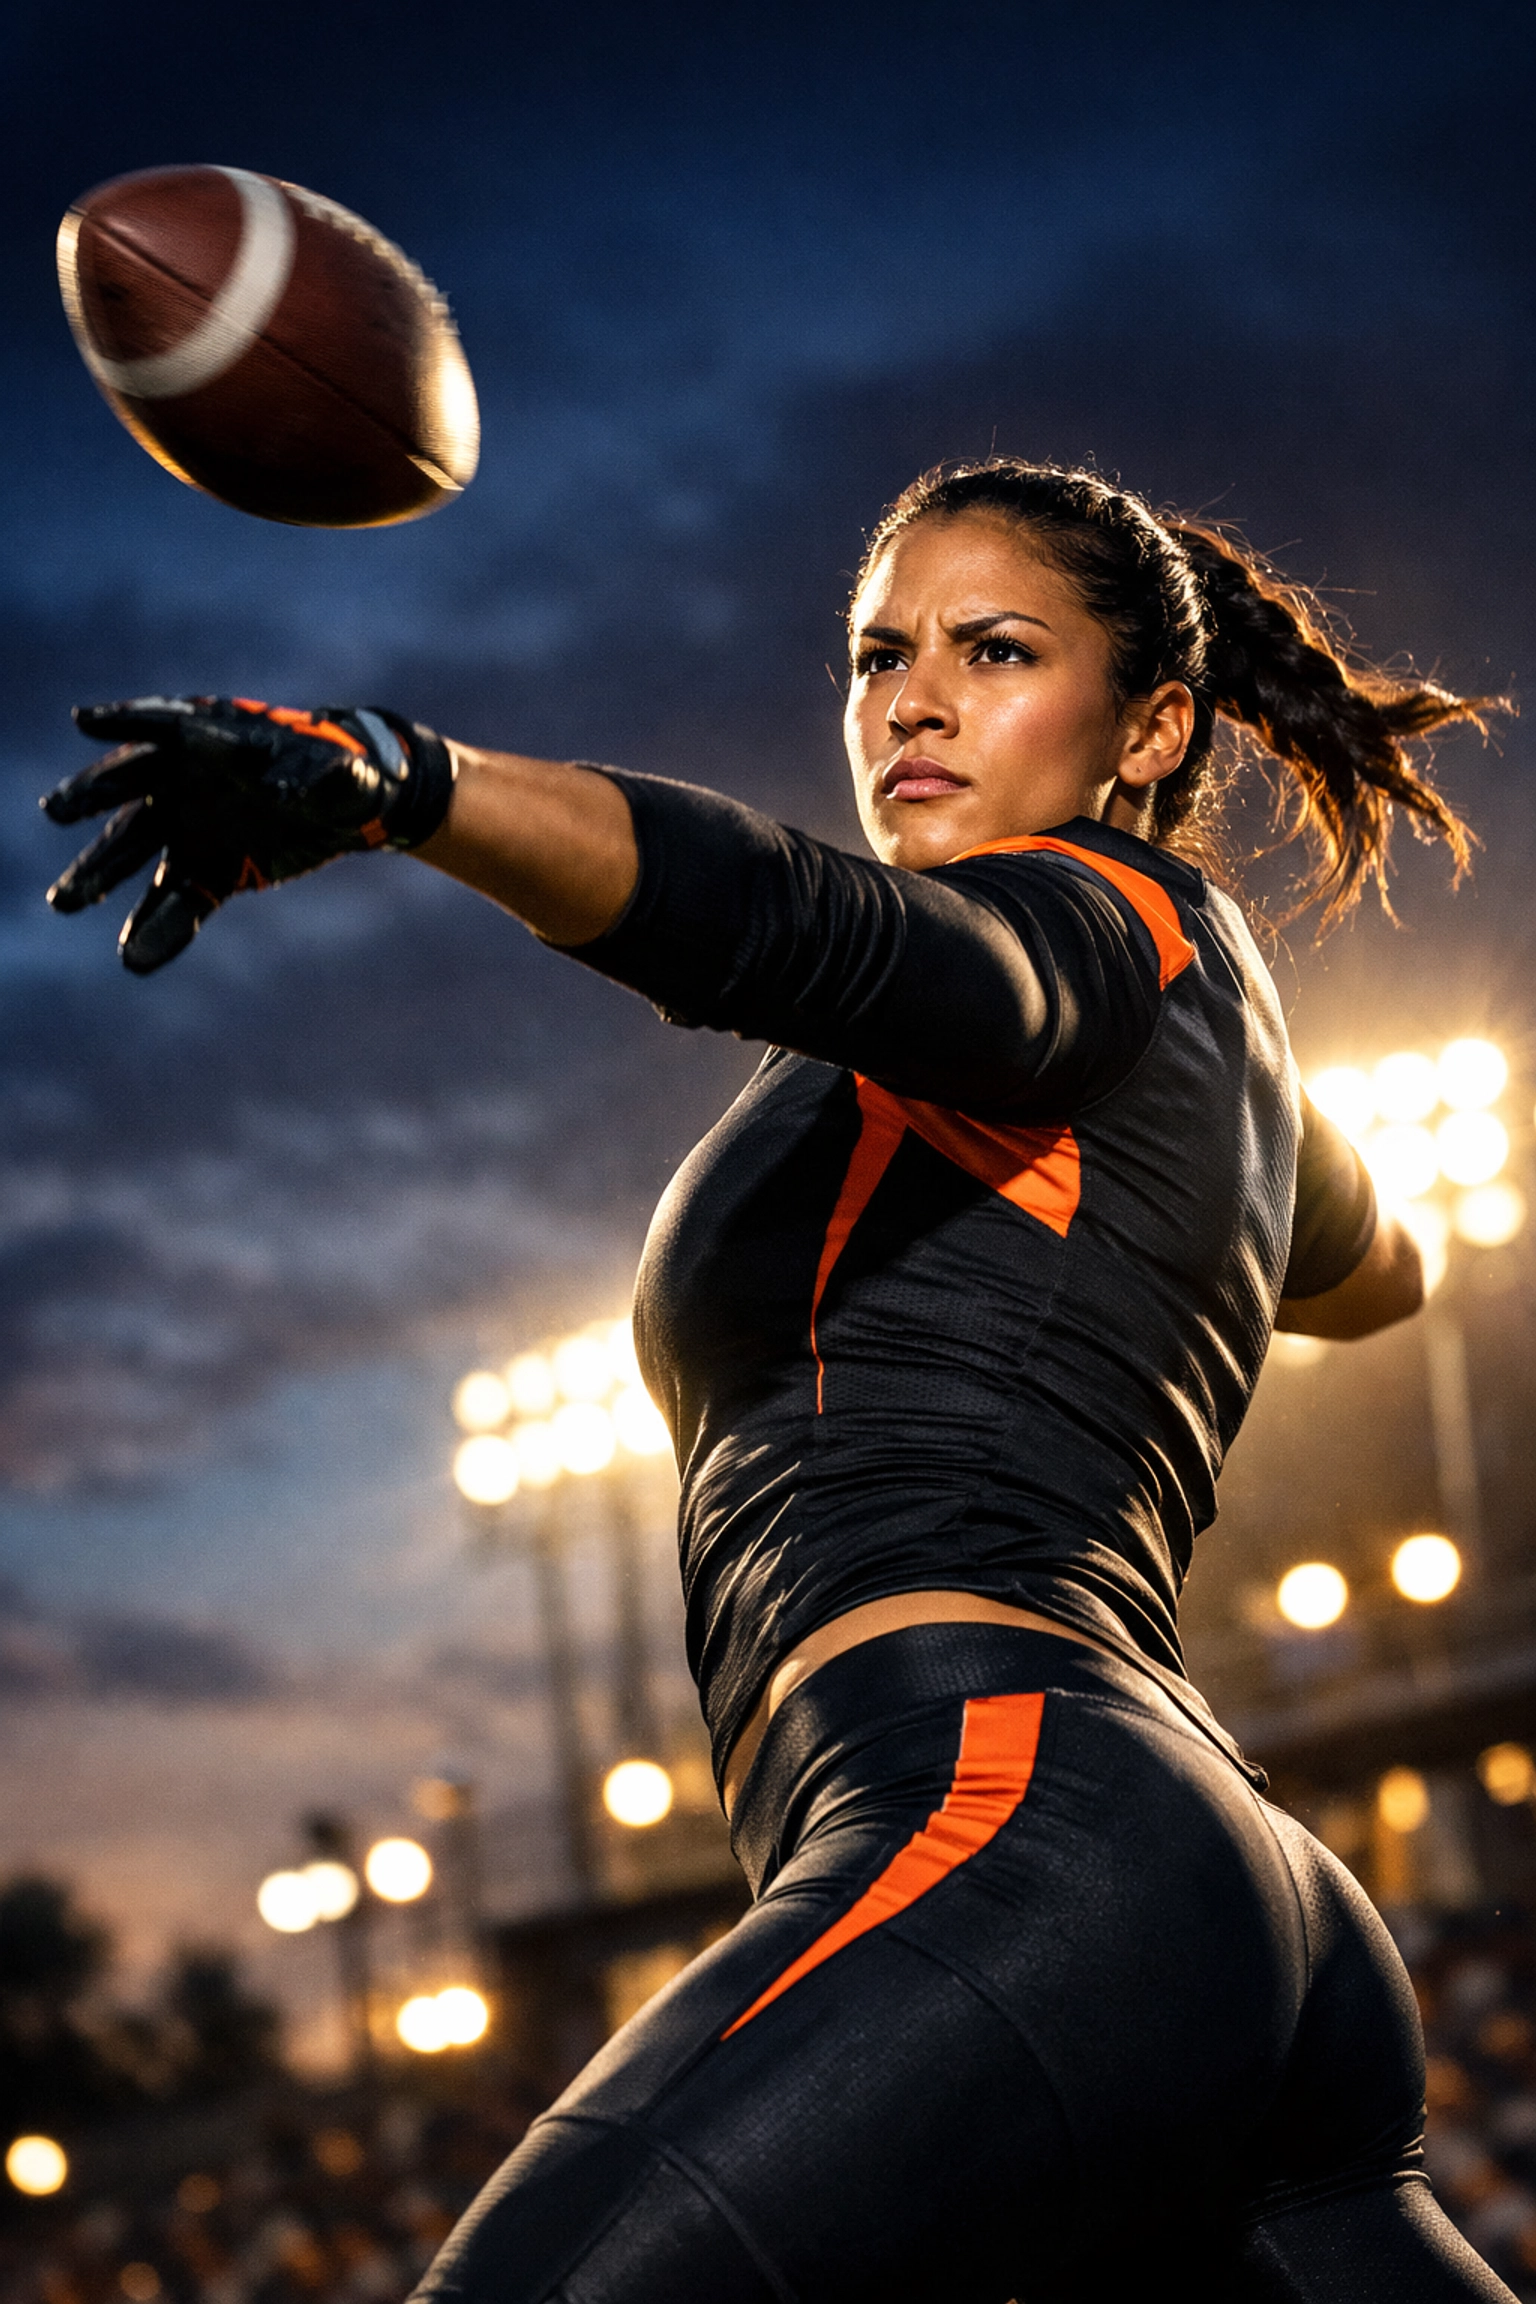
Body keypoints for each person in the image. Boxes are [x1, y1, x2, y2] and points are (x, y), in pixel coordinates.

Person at [42, 460, 1514, 2300]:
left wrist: (411, 783)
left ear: (1153, 729)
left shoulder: (1086, 927)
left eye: (994, 652)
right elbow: (1378, 1268)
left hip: (1013, 1817)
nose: (913, 702)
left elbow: (789, 922)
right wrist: (1218, 1161)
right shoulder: (1179, 1012)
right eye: (881, 654)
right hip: (1200, 1894)